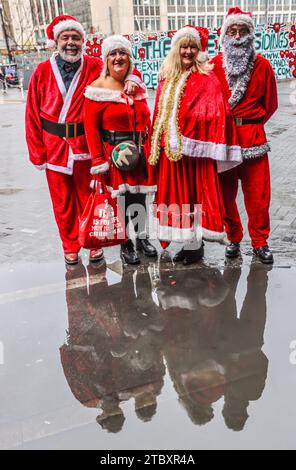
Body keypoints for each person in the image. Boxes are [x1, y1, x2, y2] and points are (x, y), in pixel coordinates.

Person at [25, 15, 143, 266]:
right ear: (56, 42)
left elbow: (122, 71)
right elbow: (32, 114)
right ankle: (70, 246)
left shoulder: (92, 67)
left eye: (75, 38)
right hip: (54, 146)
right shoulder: (42, 71)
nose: (71, 43)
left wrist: (133, 78)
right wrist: (37, 152)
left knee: (90, 199)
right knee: (62, 204)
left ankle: (93, 243)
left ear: (83, 41)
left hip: (86, 147)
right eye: (65, 38)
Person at [149, 25, 242, 265]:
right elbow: (159, 111)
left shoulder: (206, 77)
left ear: (199, 50)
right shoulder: (167, 76)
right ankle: (185, 240)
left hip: (193, 153)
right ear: (176, 49)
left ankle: (194, 246)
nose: (188, 51)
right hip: (171, 152)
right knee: (177, 198)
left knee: (192, 197)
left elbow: (216, 111)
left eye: (193, 46)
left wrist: (192, 129)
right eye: (184, 46)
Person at [212, 7, 278, 264]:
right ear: (224, 35)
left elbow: (270, 104)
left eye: (243, 31)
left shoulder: (262, 66)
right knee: (226, 194)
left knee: (258, 196)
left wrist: (250, 124)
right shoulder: (214, 66)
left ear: (251, 34)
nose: (237, 36)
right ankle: (234, 238)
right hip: (224, 142)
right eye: (232, 31)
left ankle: (260, 242)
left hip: (254, 140)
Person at [84, 35, 157, 265]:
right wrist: (98, 160)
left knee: (139, 196)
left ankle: (143, 238)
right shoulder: (97, 89)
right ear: (105, 60)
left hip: (139, 151)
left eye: (122, 53)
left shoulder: (137, 83)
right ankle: (126, 243)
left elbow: (147, 118)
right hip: (114, 154)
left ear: (129, 57)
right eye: (113, 54)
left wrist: (152, 146)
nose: (118, 58)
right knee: (122, 200)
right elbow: (90, 128)